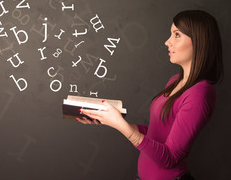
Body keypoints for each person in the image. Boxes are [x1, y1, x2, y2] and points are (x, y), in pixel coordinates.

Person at [76, 10, 223, 180]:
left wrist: (120, 125)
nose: (167, 42)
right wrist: (112, 121)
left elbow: (169, 158)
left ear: (199, 41)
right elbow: (157, 133)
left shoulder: (200, 93)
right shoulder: (175, 81)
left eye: (177, 35)